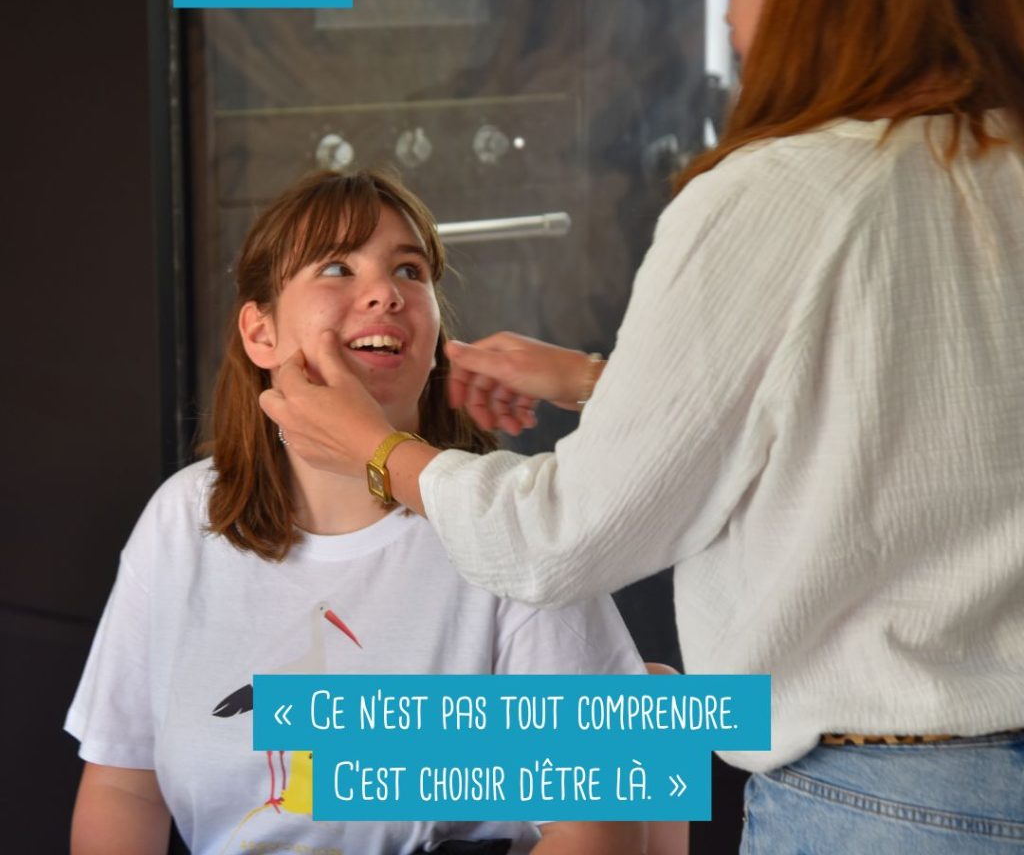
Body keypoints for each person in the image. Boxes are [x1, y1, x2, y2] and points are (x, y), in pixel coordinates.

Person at [259, 0, 1024, 851]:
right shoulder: (997, 165)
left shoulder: (779, 196)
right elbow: (915, 425)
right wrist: (603, 382)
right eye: (334, 269)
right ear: (255, 329)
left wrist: (382, 453)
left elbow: (562, 542)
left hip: (883, 809)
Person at [65, 169, 648, 855]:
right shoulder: (180, 519)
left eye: (410, 270)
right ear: (260, 334)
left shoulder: (508, 524)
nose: (386, 293)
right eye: (338, 267)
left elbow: (599, 828)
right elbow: (124, 785)